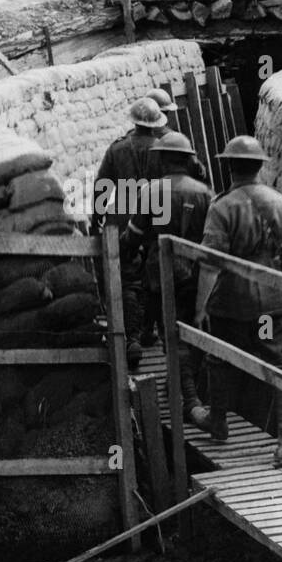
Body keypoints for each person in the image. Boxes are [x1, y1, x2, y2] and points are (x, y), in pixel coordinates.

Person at [193, 135, 282, 467]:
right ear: (259, 166)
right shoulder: (280, 202)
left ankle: (219, 421)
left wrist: (200, 309)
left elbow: (211, 262)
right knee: (276, 358)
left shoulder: (222, 206)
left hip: (233, 305)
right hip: (274, 307)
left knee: (222, 357)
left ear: (229, 166)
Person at [122, 131, 214, 419]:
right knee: (188, 332)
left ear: (162, 160)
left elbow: (134, 236)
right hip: (196, 275)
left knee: (171, 336)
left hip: (160, 275)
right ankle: (185, 387)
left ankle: (188, 399)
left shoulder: (151, 192)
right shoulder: (205, 194)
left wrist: (122, 258)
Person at [94, 97, 167, 367]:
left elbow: (102, 185)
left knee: (128, 278)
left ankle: (132, 337)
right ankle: (150, 330)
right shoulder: (163, 148)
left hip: (124, 214)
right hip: (158, 213)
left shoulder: (118, 149)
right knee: (154, 274)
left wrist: (97, 216)